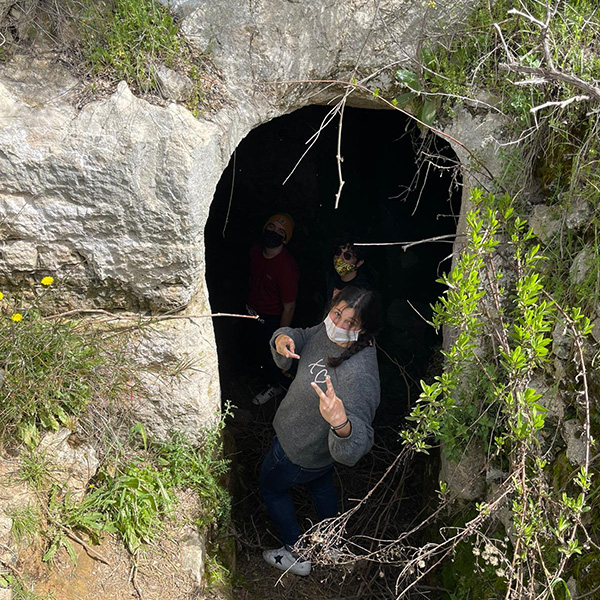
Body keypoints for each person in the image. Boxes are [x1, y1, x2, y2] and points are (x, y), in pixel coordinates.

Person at [259, 286, 381, 576]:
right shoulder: (327, 332)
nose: (338, 325)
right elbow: (303, 335)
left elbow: (359, 440)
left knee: (271, 487)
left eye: (350, 323)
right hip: (317, 452)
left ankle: (296, 553)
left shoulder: (359, 373)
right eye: (337, 314)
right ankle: (331, 542)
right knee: (321, 484)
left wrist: (340, 423)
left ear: (364, 329)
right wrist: (283, 338)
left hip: (296, 448)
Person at [247, 213, 299, 405]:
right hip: (251, 309)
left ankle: (275, 385)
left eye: (280, 231)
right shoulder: (255, 252)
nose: (274, 232)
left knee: (270, 354)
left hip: (271, 316)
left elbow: (289, 306)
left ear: (285, 239)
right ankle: (258, 376)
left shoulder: (286, 267)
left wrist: (280, 335)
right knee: (254, 347)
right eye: (271, 227)